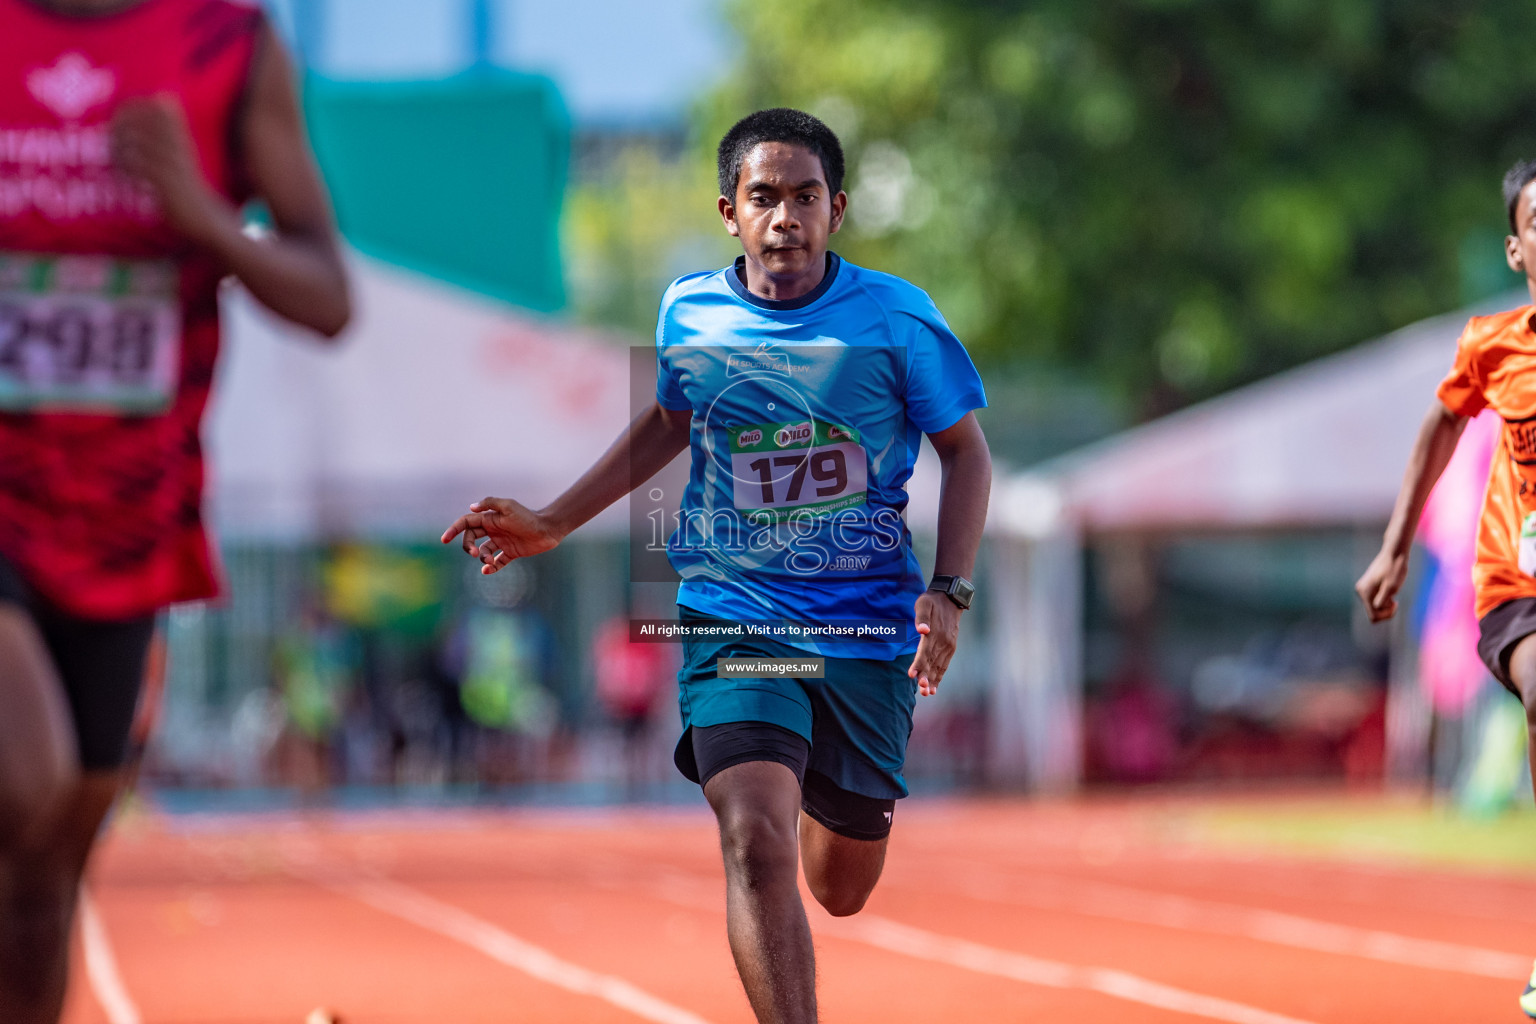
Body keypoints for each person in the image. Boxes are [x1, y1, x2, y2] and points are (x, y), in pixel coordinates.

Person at [444, 107, 991, 1024]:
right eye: (765, 197)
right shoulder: (687, 309)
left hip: (863, 626)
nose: (786, 218)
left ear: (838, 209)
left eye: (806, 197)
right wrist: (553, 520)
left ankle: (825, 773)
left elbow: (967, 454)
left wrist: (950, 591)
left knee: (841, 886)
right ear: (730, 212)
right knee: (754, 841)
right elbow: (669, 419)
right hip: (732, 612)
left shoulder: (898, 320)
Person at [0, 2, 350, 1021]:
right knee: (22, 780)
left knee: (45, 874)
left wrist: (204, 219)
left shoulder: (223, 47)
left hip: (125, 520)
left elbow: (329, 295)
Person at [1355, 156, 1536, 1019]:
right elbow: (1439, 424)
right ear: (1516, 248)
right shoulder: (1491, 345)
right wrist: (1395, 548)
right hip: (1517, 581)